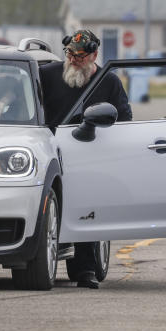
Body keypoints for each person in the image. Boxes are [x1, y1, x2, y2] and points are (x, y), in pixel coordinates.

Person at [39, 29, 132, 289]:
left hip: (89, 155)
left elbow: (124, 121)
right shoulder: (47, 75)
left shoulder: (108, 81)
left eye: (79, 56)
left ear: (94, 55)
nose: (72, 60)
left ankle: (86, 270)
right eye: (69, 53)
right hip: (49, 152)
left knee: (88, 210)